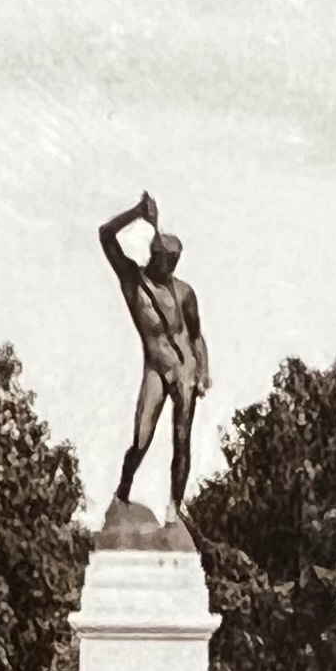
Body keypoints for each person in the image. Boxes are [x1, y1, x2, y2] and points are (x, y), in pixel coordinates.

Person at [98, 193, 210, 512]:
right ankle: (123, 493)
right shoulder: (133, 281)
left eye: (175, 261)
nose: (171, 266)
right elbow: (105, 235)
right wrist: (136, 212)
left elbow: (196, 335)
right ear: (154, 255)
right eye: (167, 260)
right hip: (156, 369)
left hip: (185, 369)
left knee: (182, 439)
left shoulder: (184, 292)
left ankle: (174, 507)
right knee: (141, 438)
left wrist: (203, 370)